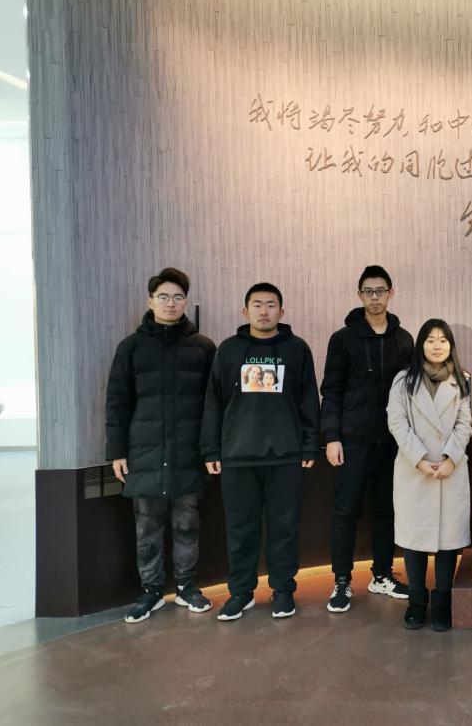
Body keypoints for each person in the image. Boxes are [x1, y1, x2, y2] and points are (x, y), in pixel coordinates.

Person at [200, 282, 320, 621]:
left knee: (285, 528)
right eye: (257, 304)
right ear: (245, 311)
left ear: (282, 311)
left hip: (286, 456)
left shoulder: (297, 349)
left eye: (270, 305)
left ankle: (283, 590)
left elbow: (309, 399)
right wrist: (211, 450)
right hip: (238, 457)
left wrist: (310, 444)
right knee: (241, 530)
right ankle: (241, 592)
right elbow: (213, 403)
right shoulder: (228, 350)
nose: (264, 311)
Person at [106, 267, 216, 623]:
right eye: (163, 297)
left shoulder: (203, 347)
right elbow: (117, 401)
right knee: (147, 527)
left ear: (186, 301)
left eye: (178, 297)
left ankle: (186, 586)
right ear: (150, 300)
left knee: (188, 523)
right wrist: (116, 451)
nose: (171, 303)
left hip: (189, 452)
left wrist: (211, 448)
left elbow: (214, 405)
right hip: (144, 452)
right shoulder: (131, 347)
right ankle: (151, 591)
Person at [320, 265, 414, 613]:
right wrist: (332, 436)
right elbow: (331, 391)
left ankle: (382, 574)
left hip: (391, 442)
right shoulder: (343, 339)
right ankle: (342, 581)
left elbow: (412, 389)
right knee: (345, 511)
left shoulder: (404, 339)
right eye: (368, 291)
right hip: (353, 441)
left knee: (386, 510)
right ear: (359, 295)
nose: (375, 297)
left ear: (391, 293)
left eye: (380, 291)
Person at [386, 319, 472, 632]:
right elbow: (396, 422)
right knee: (415, 538)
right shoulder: (404, 381)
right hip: (415, 470)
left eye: (443, 340)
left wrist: (451, 457)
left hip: (451, 469)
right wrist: (419, 459)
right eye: (431, 340)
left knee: (449, 540)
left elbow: (465, 423)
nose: (437, 346)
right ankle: (416, 601)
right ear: (420, 344)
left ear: (451, 346)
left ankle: (442, 602)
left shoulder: (463, 380)